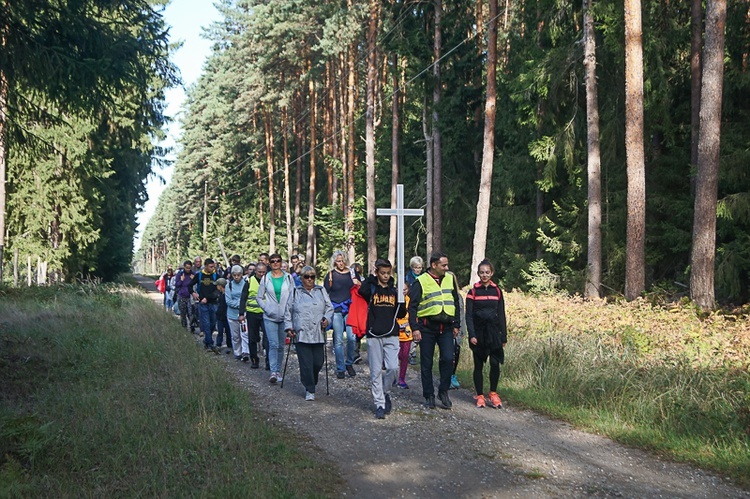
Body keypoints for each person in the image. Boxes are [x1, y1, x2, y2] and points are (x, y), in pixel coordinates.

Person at [407, 252, 461, 410]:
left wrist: (457, 324)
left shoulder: (450, 279)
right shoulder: (421, 281)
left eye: (447, 264)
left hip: (447, 328)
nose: (447, 267)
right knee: (426, 363)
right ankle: (428, 395)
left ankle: (443, 391)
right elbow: (412, 307)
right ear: (434, 265)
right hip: (427, 328)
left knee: (447, 359)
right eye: (444, 265)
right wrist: (415, 328)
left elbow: (455, 302)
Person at [358, 258, 406, 419]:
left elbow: (401, 314)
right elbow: (361, 290)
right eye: (382, 273)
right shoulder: (371, 289)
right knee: (376, 371)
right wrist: (372, 276)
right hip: (374, 334)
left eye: (388, 273)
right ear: (377, 272)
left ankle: (385, 392)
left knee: (393, 367)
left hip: (391, 334)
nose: (385, 276)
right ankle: (379, 404)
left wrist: (402, 298)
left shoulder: (394, 291)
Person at [284, 265, 334, 401]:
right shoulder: (295, 292)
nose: (310, 279)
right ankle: (310, 388)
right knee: (306, 363)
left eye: (312, 277)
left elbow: (330, 307)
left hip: (317, 331)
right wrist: (289, 327)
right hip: (301, 332)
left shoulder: (321, 290)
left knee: (318, 362)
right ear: (302, 278)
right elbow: (288, 311)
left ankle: (311, 380)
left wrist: (327, 319)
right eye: (307, 277)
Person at [466, 259, 507, 409]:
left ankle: (493, 393)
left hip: (494, 332)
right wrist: (472, 334)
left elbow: (501, 313)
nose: (484, 275)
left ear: (492, 273)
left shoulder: (497, 291)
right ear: (478, 273)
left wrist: (504, 335)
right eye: (482, 272)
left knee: (495, 363)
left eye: (487, 272)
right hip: (478, 332)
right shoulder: (473, 291)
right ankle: (480, 395)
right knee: (478, 365)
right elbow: (468, 315)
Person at [256, 253, 295, 383]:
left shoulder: (288, 278)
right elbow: (259, 297)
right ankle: (273, 371)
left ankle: (278, 370)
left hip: (285, 317)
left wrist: (291, 312)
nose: (276, 263)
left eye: (278, 261)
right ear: (269, 263)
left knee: (281, 345)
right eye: (273, 261)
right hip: (270, 316)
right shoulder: (266, 278)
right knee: (273, 344)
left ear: (281, 262)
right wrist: (267, 309)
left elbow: (294, 296)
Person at [324, 250, 360, 379]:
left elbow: (361, 288)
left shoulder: (352, 273)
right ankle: (340, 368)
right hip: (336, 308)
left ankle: (349, 362)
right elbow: (325, 293)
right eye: (338, 261)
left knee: (351, 338)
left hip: (351, 308)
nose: (340, 263)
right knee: (338, 339)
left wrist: (358, 283)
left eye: (342, 260)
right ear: (334, 262)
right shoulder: (330, 275)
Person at [191, 258, 221, 351]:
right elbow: (189, 285)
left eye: (214, 266)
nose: (213, 268)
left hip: (213, 302)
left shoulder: (216, 276)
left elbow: (218, 290)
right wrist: (193, 293)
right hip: (203, 304)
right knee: (206, 323)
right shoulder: (199, 275)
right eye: (211, 266)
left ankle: (207, 341)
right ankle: (210, 343)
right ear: (206, 266)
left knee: (212, 323)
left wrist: (207, 298)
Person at [225, 265, 250, 362]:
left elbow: (248, 298)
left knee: (245, 333)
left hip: (244, 314)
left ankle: (245, 352)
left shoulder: (246, 284)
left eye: (238, 275)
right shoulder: (229, 285)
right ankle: (237, 352)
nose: (236, 277)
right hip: (232, 315)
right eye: (234, 275)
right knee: (235, 336)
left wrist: (243, 305)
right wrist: (240, 304)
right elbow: (228, 301)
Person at [245, 262, 267, 369]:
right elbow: (243, 298)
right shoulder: (249, 281)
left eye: (264, 272)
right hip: (252, 313)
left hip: (265, 313)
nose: (262, 274)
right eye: (259, 272)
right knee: (252, 338)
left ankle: (269, 362)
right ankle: (254, 360)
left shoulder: (269, 281)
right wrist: (241, 313)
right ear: (255, 271)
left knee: (267, 338)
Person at [396, 282, 412, 389]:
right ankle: (392, 376)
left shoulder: (409, 301)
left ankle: (402, 378)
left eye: (405, 289)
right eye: (401, 289)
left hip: (407, 332)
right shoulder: (394, 300)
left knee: (405, 356)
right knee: (395, 356)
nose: (403, 291)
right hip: (395, 333)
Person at [173, 261, 195, 332]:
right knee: (183, 313)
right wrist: (181, 280)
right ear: (184, 267)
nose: (188, 269)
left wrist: (193, 280)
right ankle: (184, 328)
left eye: (189, 268)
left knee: (191, 313)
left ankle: (192, 327)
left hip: (190, 297)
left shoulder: (193, 274)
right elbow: (176, 284)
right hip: (182, 296)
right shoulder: (180, 274)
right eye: (186, 268)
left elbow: (196, 285)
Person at [215, 277, 232, 353]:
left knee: (226, 331)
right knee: (221, 331)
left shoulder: (225, 295)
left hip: (224, 316)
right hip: (221, 316)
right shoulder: (221, 294)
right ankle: (219, 344)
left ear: (220, 286)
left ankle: (229, 345)